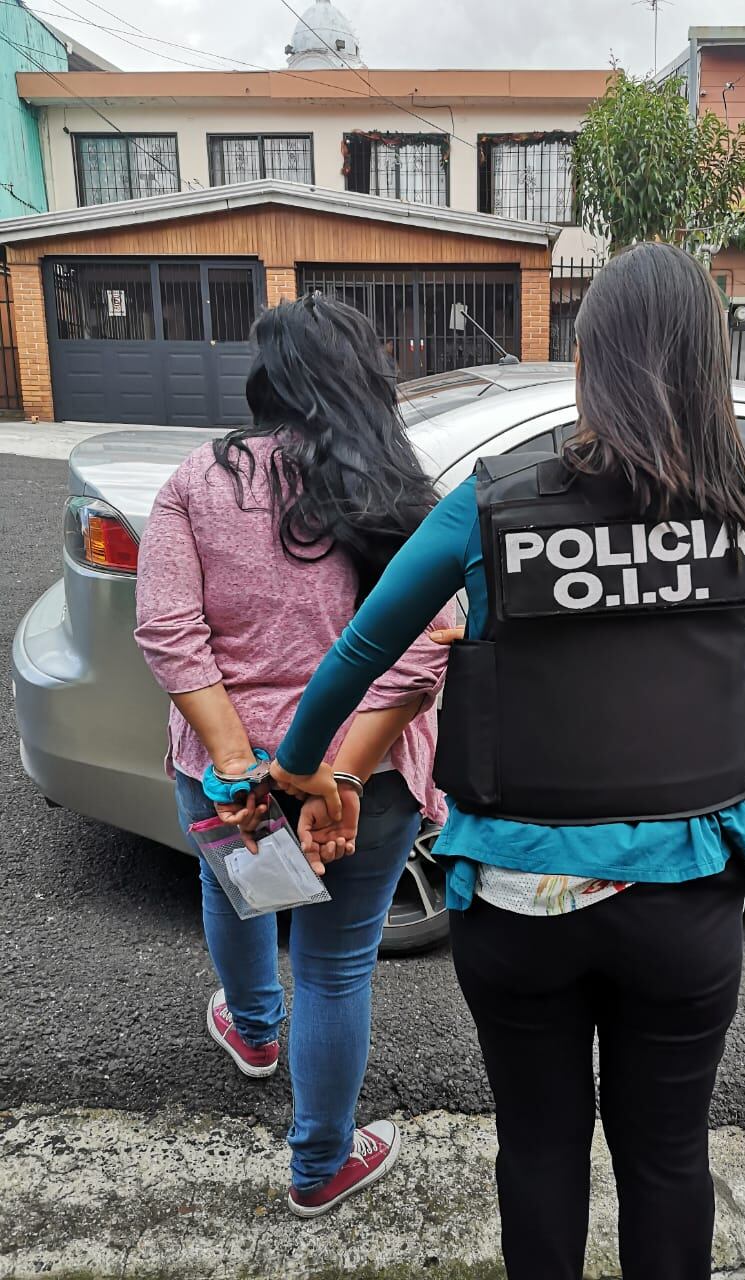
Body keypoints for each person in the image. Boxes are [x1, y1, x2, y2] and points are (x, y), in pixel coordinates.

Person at [266, 243, 745, 1279]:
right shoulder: (739, 513)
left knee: (541, 1147)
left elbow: (362, 649)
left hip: (517, 904)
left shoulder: (494, 506)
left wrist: (294, 773)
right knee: (669, 1154)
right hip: (684, 909)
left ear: (590, 357)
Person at [134, 293, 454, 1219]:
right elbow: (431, 648)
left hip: (227, 770)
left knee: (235, 888)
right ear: (366, 377)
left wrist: (242, 766)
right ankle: (318, 1165)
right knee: (336, 965)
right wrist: (337, 771)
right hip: (369, 776)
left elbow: (167, 629)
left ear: (265, 379)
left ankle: (257, 1033)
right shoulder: (400, 491)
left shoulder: (196, 480)